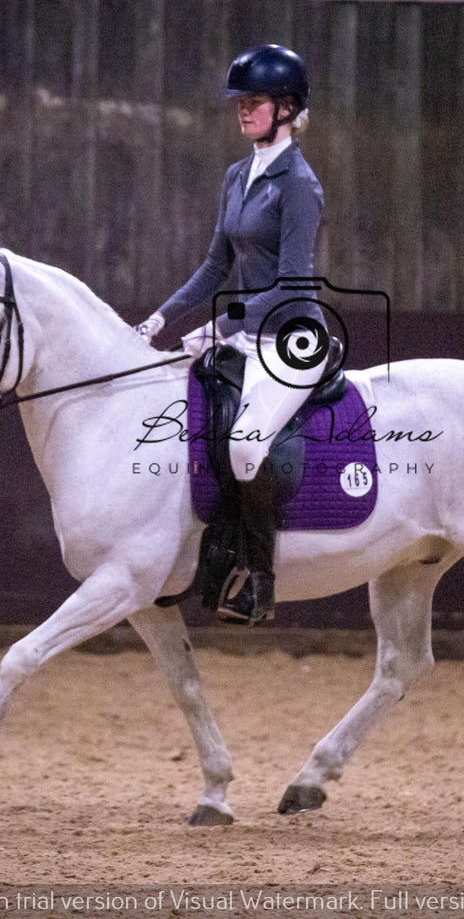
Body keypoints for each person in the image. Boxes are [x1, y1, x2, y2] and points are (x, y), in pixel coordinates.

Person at [135, 44, 325, 626]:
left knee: (245, 445)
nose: (243, 111)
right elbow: (215, 266)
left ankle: (261, 582)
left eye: (256, 102)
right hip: (246, 335)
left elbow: (294, 283)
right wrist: (161, 319)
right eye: (240, 102)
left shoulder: (300, 185)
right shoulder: (237, 175)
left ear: (287, 108)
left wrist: (222, 324)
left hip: (292, 337)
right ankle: (205, 557)